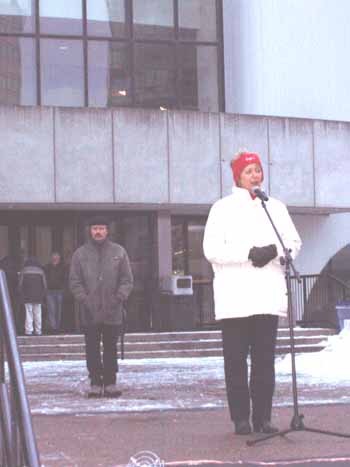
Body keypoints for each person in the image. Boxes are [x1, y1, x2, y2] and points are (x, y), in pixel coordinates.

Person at [203, 150, 302, 435]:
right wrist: (248, 253)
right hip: (235, 299)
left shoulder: (276, 207)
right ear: (238, 176)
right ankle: (241, 419)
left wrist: (275, 252)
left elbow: (293, 241)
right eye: (249, 171)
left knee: (263, 362)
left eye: (258, 170)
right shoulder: (221, 208)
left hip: (267, 297)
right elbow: (212, 250)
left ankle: (263, 417)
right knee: (235, 362)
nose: (255, 176)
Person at [69, 216, 133, 398]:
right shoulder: (80, 254)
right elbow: (74, 282)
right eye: (95, 228)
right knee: (92, 348)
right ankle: (95, 382)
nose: (98, 232)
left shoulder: (119, 252)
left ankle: (111, 382)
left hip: (113, 312)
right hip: (89, 313)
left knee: (111, 347)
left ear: (107, 231)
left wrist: (119, 297)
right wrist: (84, 299)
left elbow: (127, 280)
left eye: (101, 228)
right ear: (90, 230)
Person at [18, 257, 47, 336]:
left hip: (27, 296)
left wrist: (21, 294)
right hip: (38, 296)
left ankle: (29, 331)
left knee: (28, 313)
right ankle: (38, 330)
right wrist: (43, 295)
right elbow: (45, 285)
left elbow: (20, 285)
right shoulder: (41, 271)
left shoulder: (24, 271)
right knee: (38, 313)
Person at [44, 252, 66, 334]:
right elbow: (44, 278)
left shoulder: (62, 267)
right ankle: (53, 328)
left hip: (59, 291)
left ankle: (58, 327)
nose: (55, 259)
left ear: (59, 259)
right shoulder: (47, 267)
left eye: (56, 258)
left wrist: (64, 288)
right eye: (53, 258)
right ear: (51, 258)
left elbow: (65, 279)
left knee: (59, 310)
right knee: (51, 310)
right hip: (49, 291)